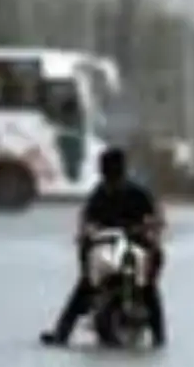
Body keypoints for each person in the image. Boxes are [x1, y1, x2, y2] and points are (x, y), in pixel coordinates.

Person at [40, 147, 167, 347]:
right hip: (106, 248)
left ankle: (159, 336)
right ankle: (61, 333)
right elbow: (86, 220)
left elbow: (157, 218)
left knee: (148, 287)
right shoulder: (98, 194)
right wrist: (86, 233)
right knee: (84, 285)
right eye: (108, 174)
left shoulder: (138, 193)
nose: (111, 181)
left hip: (135, 247)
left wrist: (147, 231)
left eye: (113, 174)